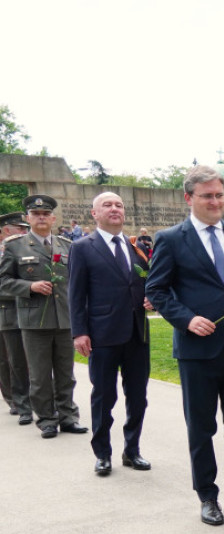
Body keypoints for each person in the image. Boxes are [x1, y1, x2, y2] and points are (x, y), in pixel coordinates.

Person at [146, 165, 224, 526]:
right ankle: (207, 496)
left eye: (219, 195)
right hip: (197, 350)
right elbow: (156, 290)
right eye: (207, 196)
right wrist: (186, 319)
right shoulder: (170, 239)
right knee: (201, 427)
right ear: (189, 198)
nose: (216, 201)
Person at [68, 192, 153, 476]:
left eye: (119, 205)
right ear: (94, 214)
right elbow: (76, 294)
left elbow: (145, 282)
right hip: (102, 334)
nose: (115, 209)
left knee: (138, 397)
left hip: (137, 333)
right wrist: (79, 332)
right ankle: (102, 453)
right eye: (107, 205)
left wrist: (151, 298)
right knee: (104, 397)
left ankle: (132, 450)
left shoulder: (136, 247)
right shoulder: (82, 247)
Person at [0, 195, 86, 438]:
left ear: (53, 218)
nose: (41, 217)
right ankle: (47, 419)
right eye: (36, 214)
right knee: (39, 376)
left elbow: (76, 282)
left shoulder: (66, 245)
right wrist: (29, 287)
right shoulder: (15, 246)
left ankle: (68, 417)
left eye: (45, 214)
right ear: (28, 218)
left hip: (64, 319)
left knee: (66, 374)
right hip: (34, 321)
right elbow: (3, 281)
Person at [0, 212, 32, 424]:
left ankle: (33, 398)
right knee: (7, 360)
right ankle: (13, 399)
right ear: (5, 230)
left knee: (31, 359)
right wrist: (28, 289)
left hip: (29, 311)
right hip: (6, 312)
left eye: (24, 228)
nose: (23, 232)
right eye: (19, 228)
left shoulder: (26, 250)